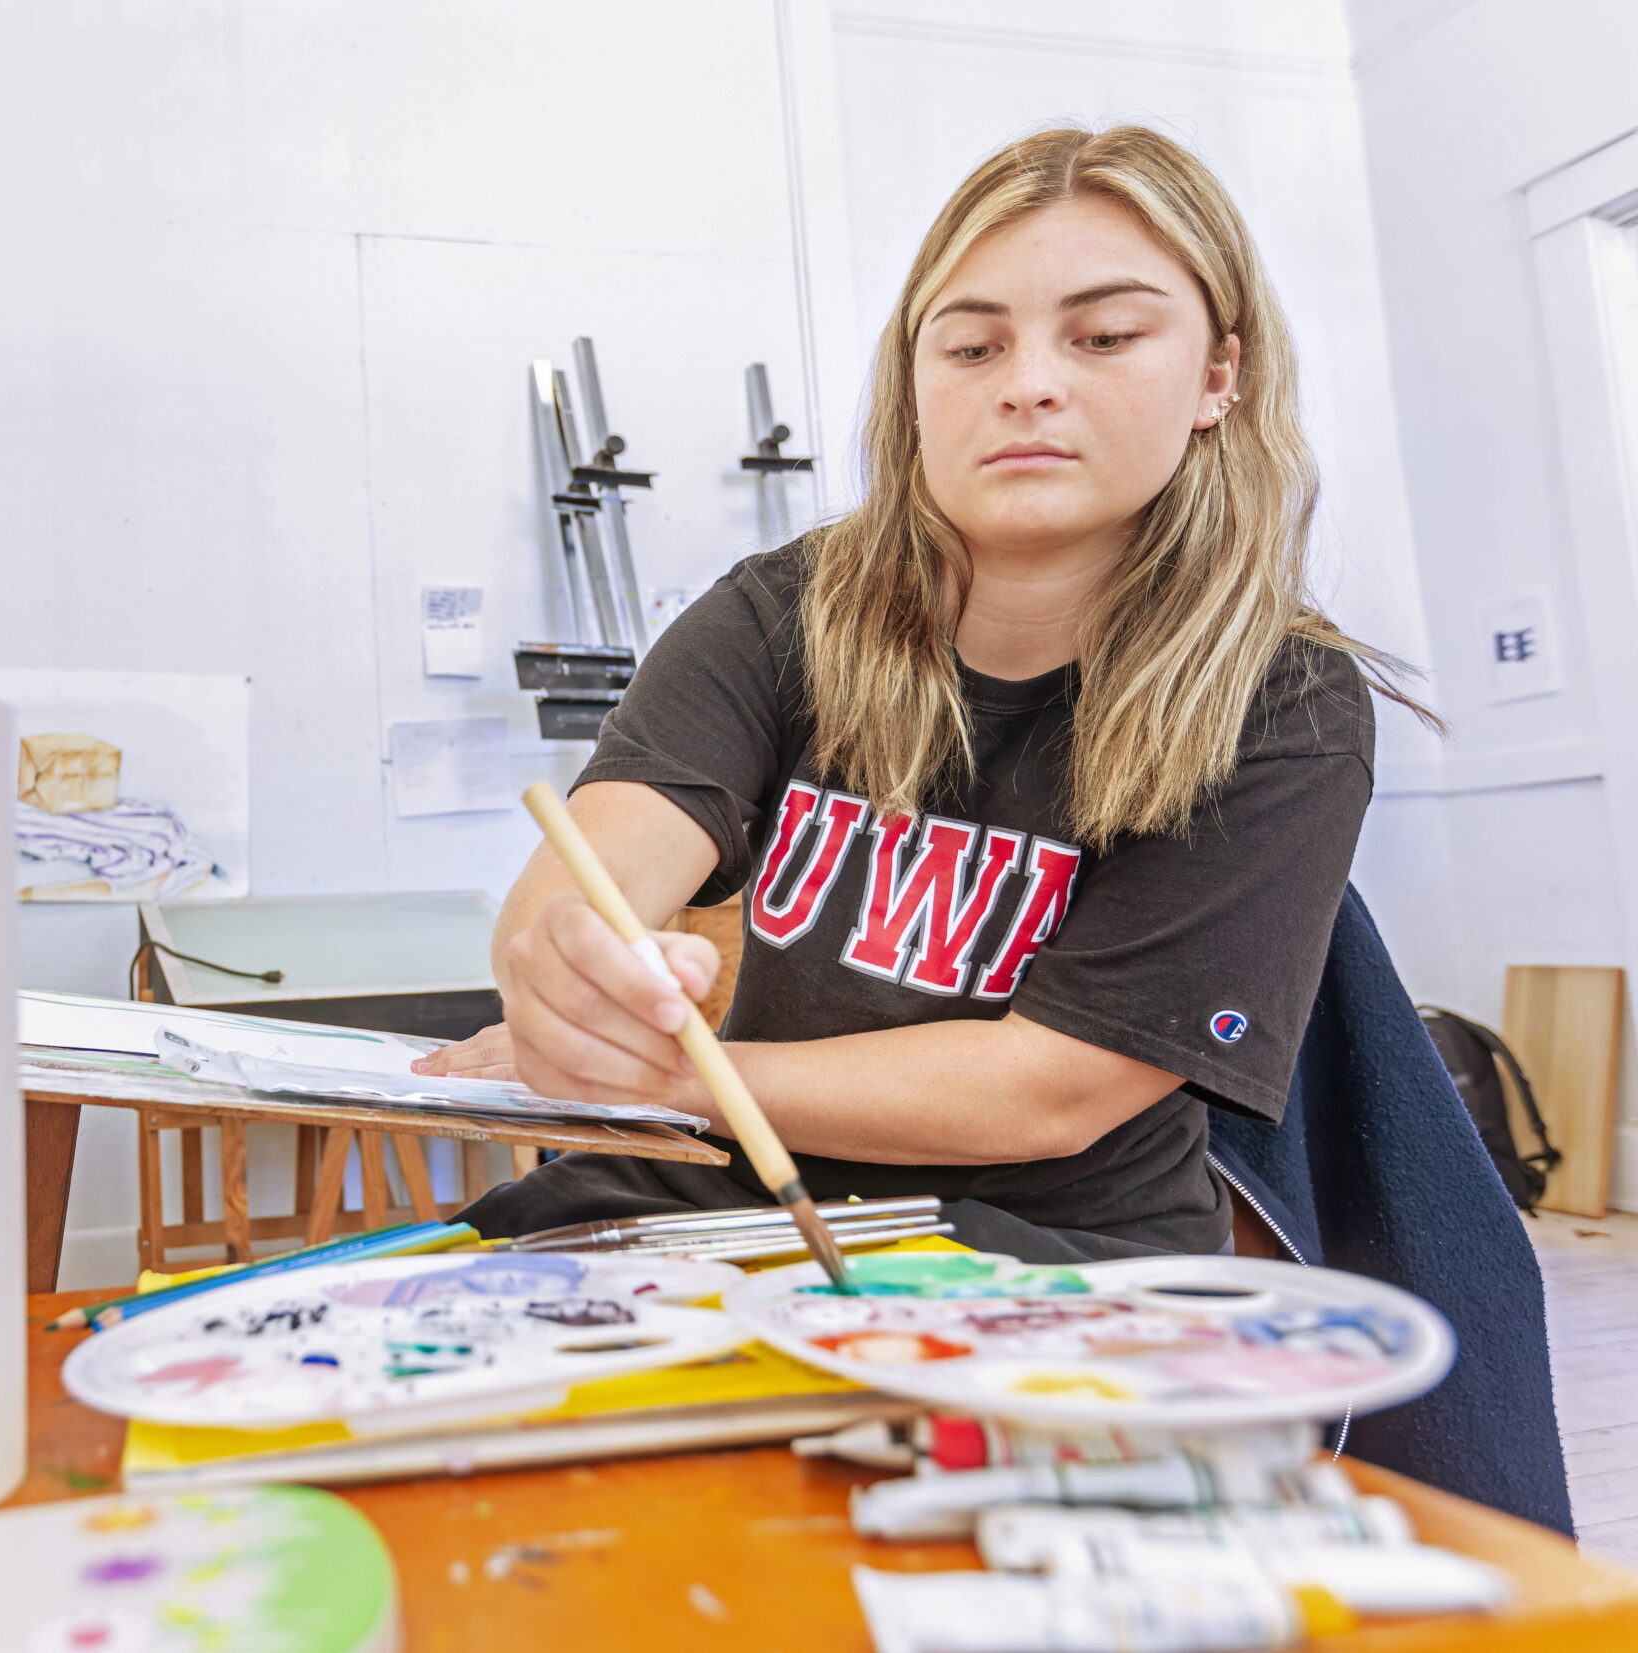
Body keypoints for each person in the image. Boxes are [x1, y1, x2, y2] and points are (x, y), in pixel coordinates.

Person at [420, 126, 1434, 1263]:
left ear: (1216, 377)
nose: (1030, 387)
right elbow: (588, 876)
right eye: (969, 349)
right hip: (698, 1208)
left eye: (1103, 336)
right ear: (914, 388)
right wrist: (562, 969)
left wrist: (675, 1077)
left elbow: (1046, 1092)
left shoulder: (1283, 700)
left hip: (1041, 1259)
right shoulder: (781, 611)